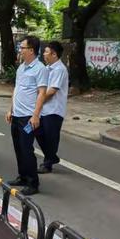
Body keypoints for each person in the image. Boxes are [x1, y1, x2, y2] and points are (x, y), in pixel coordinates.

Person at [5, 35, 48, 196]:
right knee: (18, 147)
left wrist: (36, 115)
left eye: (22, 48)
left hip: (29, 117)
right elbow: (16, 90)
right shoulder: (21, 67)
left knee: (26, 148)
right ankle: (22, 176)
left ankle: (32, 182)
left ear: (31, 50)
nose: (20, 50)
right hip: (17, 115)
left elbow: (42, 93)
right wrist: (11, 109)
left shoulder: (40, 69)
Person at [36, 41, 69, 173]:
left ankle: (47, 163)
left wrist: (38, 100)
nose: (44, 54)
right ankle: (52, 157)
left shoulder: (59, 69)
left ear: (54, 54)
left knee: (51, 137)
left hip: (54, 110)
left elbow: (51, 91)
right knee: (38, 132)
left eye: (46, 52)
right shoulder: (47, 68)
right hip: (44, 109)